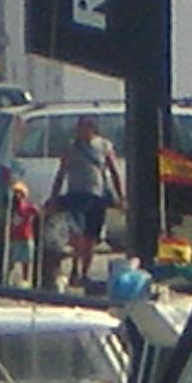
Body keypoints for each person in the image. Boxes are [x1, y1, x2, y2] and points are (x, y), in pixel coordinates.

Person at [49, 115, 125, 290]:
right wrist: (54, 197)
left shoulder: (104, 146)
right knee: (77, 234)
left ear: (92, 128)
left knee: (91, 237)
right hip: (76, 194)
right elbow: (61, 172)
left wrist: (120, 196)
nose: (81, 131)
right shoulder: (71, 147)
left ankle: (85, 272)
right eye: (79, 127)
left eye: (85, 127)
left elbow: (114, 171)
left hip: (97, 196)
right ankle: (75, 268)